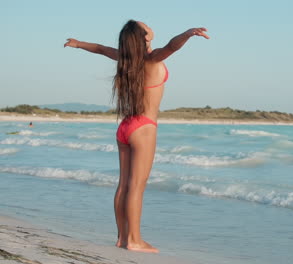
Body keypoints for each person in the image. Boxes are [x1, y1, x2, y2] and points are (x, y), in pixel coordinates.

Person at [64, 20, 209, 253]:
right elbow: (172, 46)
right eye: (147, 27)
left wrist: (78, 44)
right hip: (144, 127)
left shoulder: (125, 59)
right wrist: (188, 34)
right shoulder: (152, 60)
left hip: (125, 126)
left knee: (124, 184)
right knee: (136, 187)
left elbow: (101, 49)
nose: (150, 27)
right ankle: (134, 240)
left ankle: (122, 238)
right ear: (145, 37)